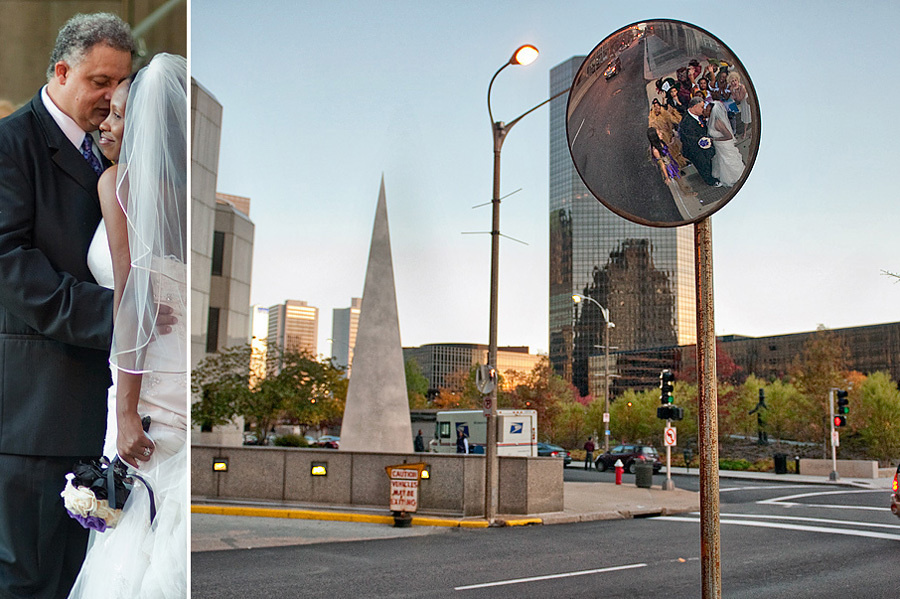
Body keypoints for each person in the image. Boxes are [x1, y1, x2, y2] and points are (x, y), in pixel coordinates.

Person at [0, 13, 132, 599]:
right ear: (60, 71)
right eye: (100, 82)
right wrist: (125, 320)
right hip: (34, 413)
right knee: (27, 580)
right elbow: (11, 267)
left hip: (100, 420)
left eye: (119, 85)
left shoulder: (111, 152)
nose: (110, 98)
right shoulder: (11, 144)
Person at [65, 52, 187, 599]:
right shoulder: (187, 197)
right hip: (179, 374)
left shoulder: (119, 183)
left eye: (117, 115)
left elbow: (132, 293)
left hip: (144, 381)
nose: (105, 125)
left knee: (136, 545)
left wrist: (124, 410)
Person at [679, 96, 721, 187]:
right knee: (703, 166)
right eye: (701, 107)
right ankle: (711, 181)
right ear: (694, 107)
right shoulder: (687, 122)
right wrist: (703, 140)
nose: (703, 109)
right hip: (695, 150)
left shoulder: (697, 116)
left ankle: (713, 174)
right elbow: (689, 139)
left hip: (703, 145)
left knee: (709, 162)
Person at [648, 128, 697, 199]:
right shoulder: (655, 150)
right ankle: (685, 192)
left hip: (671, 162)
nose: (661, 134)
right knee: (678, 178)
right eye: (658, 134)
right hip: (669, 166)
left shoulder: (660, 142)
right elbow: (662, 164)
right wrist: (667, 177)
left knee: (679, 176)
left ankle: (684, 187)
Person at [706, 100, 745, 188]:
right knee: (721, 160)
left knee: (728, 161)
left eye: (708, 110)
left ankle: (734, 176)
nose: (705, 111)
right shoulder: (711, 120)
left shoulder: (717, 123)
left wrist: (714, 139)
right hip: (719, 146)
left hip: (724, 146)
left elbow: (729, 136)